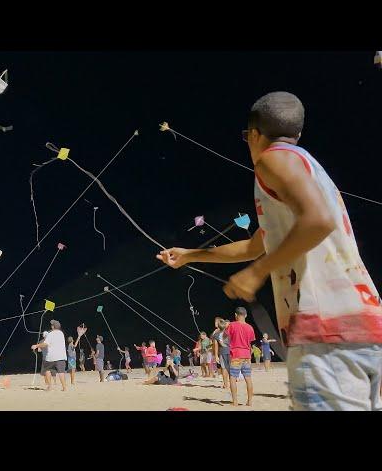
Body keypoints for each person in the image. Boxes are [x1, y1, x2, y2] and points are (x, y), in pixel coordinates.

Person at [158, 91, 382, 410]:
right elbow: (254, 245)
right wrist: (191, 255)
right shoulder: (312, 174)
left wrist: (257, 272)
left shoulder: (274, 159)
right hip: (363, 325)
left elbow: (318, 220)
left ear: (253, 134)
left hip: (325, 331)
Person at [225, 307, 256, 407]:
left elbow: (225, 338)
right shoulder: (250, 327)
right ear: (246, 315)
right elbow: (250, 343)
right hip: (246, 355)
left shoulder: (232, 325)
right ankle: (250, 401)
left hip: (236, 354)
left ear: (235, 315)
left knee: (233, 378)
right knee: (248, 378)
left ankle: (235, 402)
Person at [31, 319, 67, 391]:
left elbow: (45, 344)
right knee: (61, 372)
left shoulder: (51, 334)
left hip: (51, 357)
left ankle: (50, 387)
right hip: (61, 357)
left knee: (47, 370)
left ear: (53, 326)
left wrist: (36, 346)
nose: (51, 326)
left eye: (52, 325)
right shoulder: (61, 333)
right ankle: (64, 388)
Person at [212, 319, 231, 389]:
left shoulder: (216, 335)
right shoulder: (229, 333)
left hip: (222, 352)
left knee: (224, 368)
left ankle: (226, 385)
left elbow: (216, 346)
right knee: (230, 368)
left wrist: (216, 355)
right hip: (230, 352)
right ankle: (232, 383)